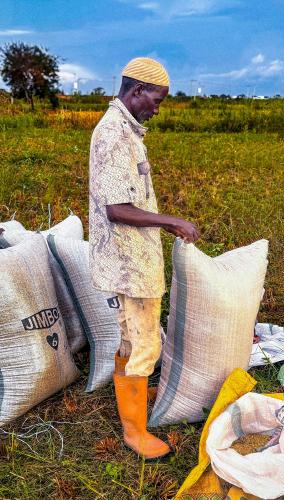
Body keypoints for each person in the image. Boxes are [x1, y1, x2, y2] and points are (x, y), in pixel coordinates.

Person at [89, 57, 200, 459]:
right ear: (137, 91)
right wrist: (171, 221)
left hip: (132, 255)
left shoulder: (127, 131)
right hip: (128, 262)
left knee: (130, 336)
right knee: (144, 342)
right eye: (157, 99)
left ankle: (132, 393)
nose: (158, 107)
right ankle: (135, 432)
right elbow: (117, 209)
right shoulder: (114, 134)